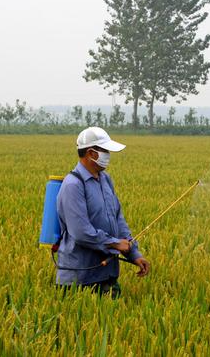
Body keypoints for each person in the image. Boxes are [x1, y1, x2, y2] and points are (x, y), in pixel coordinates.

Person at [56, 126, 150, 298]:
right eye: (105, 150)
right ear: (91, 153)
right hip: (80, 278)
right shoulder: (73, 185)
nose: (109, 155)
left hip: (107, 273)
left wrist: (133, 254)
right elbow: (80, 232)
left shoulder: (106, 180)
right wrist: (115, 244)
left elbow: (118, 219)